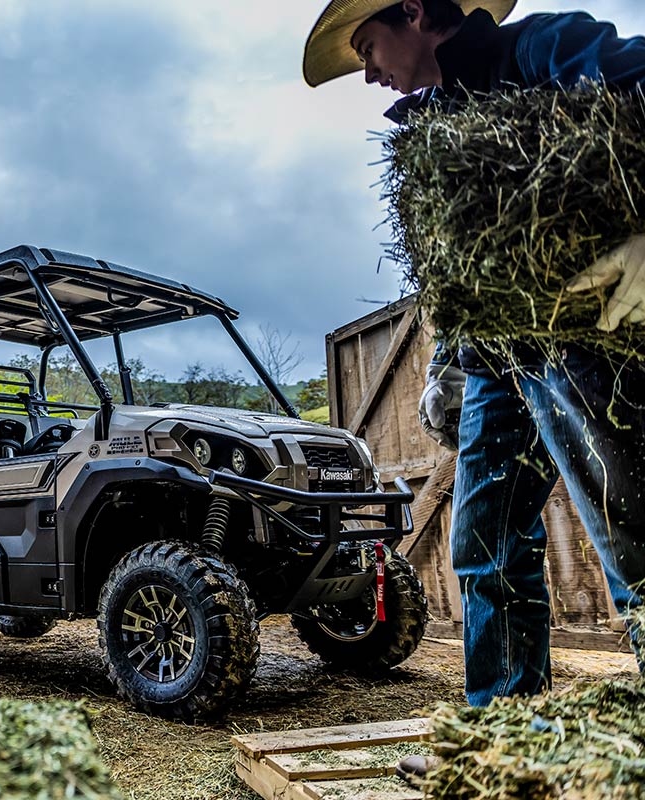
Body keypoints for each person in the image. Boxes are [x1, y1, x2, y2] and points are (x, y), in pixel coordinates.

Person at [302, 0, 645, 764]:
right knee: (483, 541)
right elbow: (461, 257)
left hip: (581, 331)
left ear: (417, 10)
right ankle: (505, 733)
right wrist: (449, 363)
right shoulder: (432, 123)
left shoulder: (547, 49)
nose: (366, 73)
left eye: (367, 45)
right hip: (492, 357)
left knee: (630, 533)